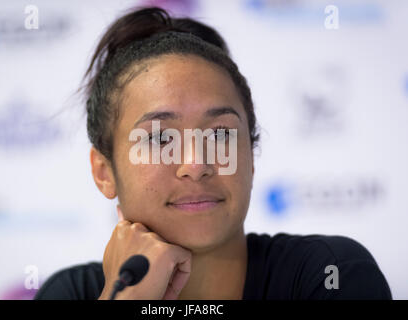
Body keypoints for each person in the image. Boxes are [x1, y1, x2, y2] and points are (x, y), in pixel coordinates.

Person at [34, 7, 392, 300]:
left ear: (250, 157)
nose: (196, 164)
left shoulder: (330, 275)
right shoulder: (71, 294)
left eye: (220, 134)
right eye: (160, 139)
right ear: (104, 171)